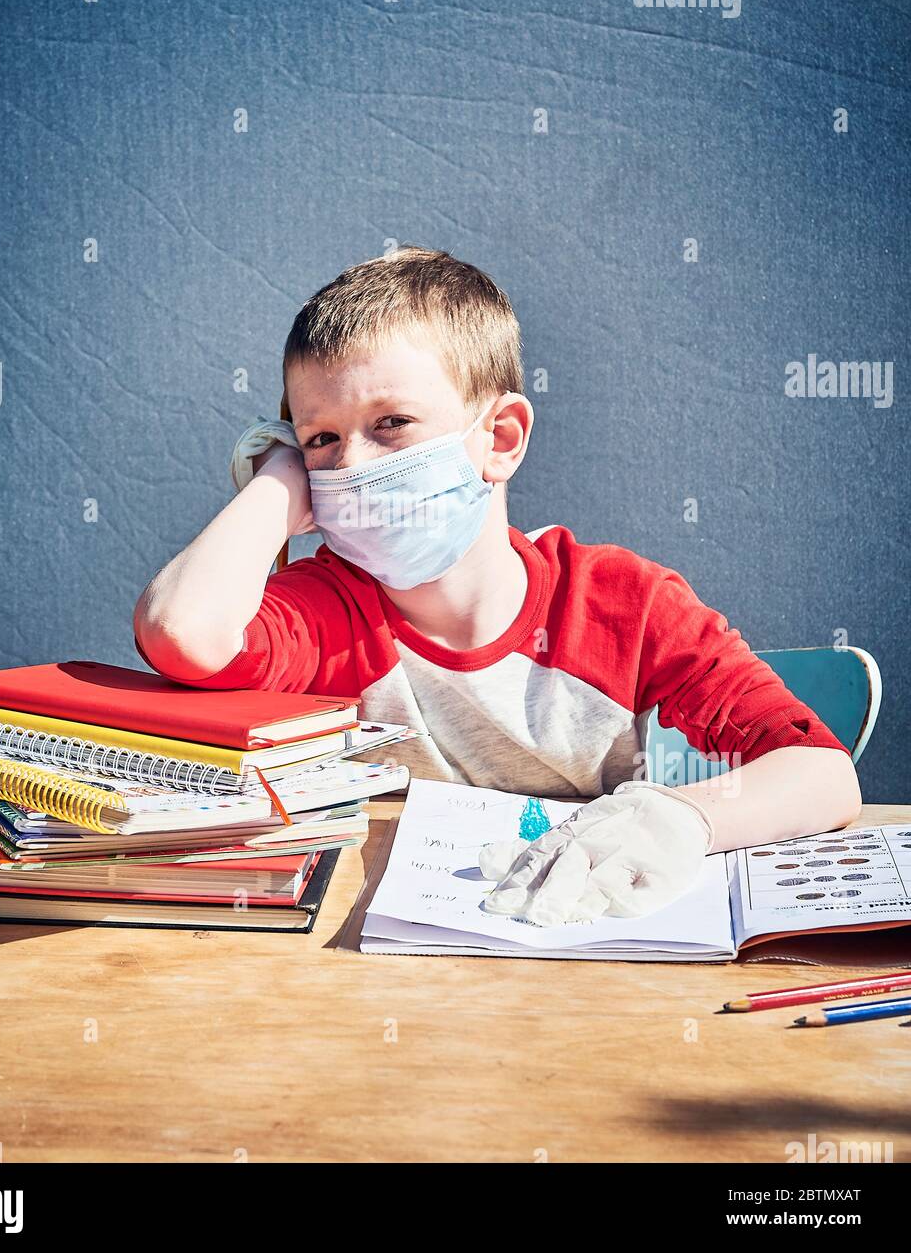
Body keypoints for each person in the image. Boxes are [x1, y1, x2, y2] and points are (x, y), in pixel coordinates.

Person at [134, 248, 860, 926]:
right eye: (322, 437)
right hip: (370, 968)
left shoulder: (620, 603)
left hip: (569, 942)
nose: (351, 465)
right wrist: (278, 479)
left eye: (391, 424)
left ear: (500, 438)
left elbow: (822, 774)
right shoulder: (326, 605)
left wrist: (683, 818)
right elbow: (181, 632)